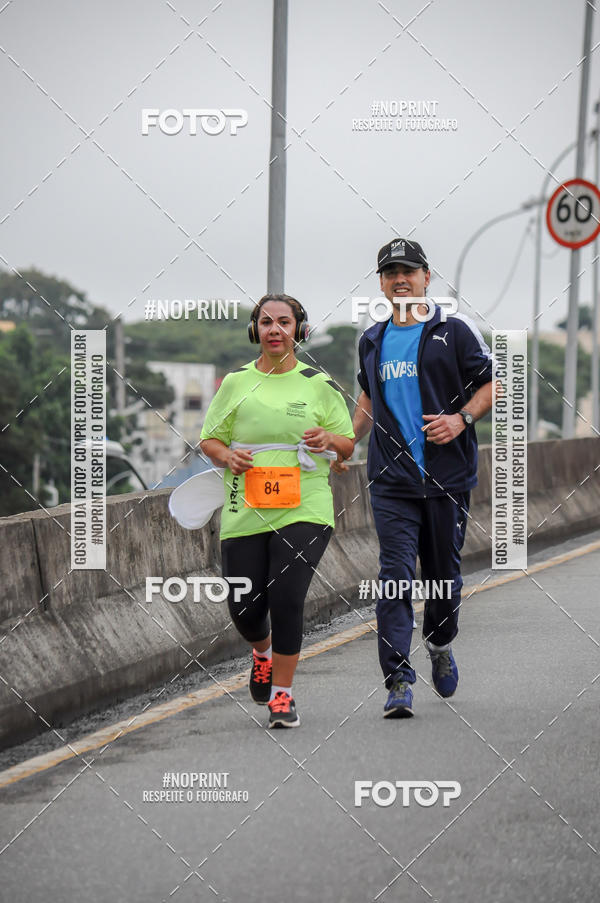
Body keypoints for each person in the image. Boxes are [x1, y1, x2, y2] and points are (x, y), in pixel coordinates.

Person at [334, 238, 494, 718]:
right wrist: (345, 442)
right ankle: (398, 678)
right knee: (394, 577)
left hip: (447, 478)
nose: (400, 279)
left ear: (427, 277)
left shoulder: (456, 332)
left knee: (444, 578)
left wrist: (461, 418)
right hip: (390, 480)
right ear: (381, 284)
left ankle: (440, 643)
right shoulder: (373, 340)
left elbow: (492, 383)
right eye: (390, 273)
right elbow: (367, 403)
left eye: (409, 270)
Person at [199, 294, 355, 728]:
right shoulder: (235, 383)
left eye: (284, 322)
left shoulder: (318, 385)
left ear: (299, 330)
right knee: (245, 607)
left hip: (305, 503)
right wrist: (227, 457)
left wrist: (327, 439)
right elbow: (209, 439)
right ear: (255, 331)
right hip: (245, 506)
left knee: (287, 597)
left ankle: (283, 696)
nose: (274, 330)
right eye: (265, 322)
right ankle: (261, 650)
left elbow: (347, 443)